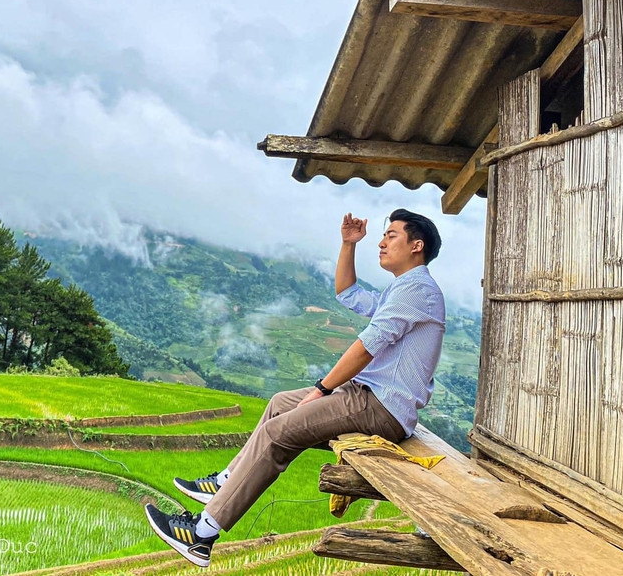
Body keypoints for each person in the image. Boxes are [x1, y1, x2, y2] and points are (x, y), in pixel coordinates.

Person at [144, 209, 446, 567]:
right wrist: (348, 244)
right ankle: (226, 481)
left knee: (278, 433)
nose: (381, 242)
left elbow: (368, 346)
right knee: (279, 404)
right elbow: (347, 293)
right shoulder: (402, 287)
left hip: (381, 406)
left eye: (391, 235)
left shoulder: (417, 290)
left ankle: (202, 535)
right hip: (365, 396)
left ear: (416, 245)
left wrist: (322, 388)